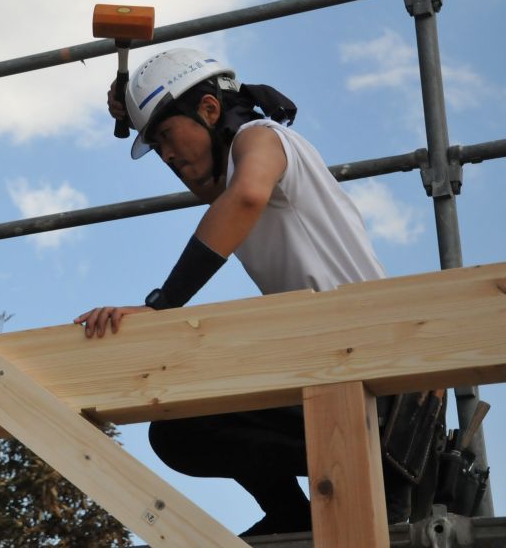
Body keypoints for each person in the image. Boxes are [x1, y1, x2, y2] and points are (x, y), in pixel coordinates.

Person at [72, 47, 414, 537]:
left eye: (167, 137)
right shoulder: (239, 166)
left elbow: (245, 196)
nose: (166, 155)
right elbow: (217, 191)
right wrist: (141, 113)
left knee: (189, 426)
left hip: (375, 375)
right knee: (180, 429)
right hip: (343, 367)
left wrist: (163, 306)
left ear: (210, 110)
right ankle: (299, 515)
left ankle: (372, 477)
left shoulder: (263, 138)